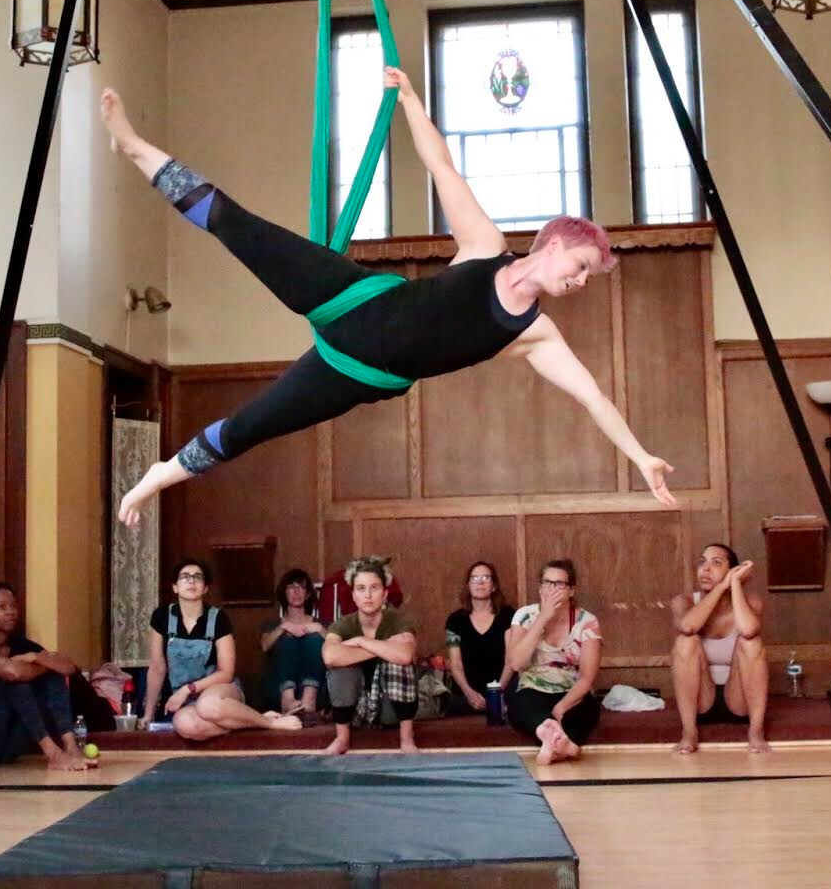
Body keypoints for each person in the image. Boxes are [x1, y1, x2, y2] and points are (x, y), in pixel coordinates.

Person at [98, 71, 676, 528]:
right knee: (235, 224)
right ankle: (135, 146)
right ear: (552, 245)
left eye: (587, 279)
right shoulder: (484, 246)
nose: (579, 283)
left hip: (355, 373)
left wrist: (640, 455)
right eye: (580, 268)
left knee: (251, 427)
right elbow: (440, 167)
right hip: (351, 298)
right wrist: (411, 104)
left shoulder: (534, 334)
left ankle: (158, 476)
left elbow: (594, 398)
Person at [142, 557, 301, 742]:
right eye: (185, 577)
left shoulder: (218, 618)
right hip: (187, 701)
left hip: (221, 691)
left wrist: (187, 689)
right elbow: (157, 667)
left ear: (205, 588)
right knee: (185, 725)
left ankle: (269, 723)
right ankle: (245, 722)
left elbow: (226, 673)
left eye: (197, 577)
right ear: (175, 587)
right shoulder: (161, 617)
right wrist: (148, 714)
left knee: (207, 705)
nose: (191, 581)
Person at [0, 582, 94, 770]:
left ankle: (71, 747)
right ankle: (53, 754)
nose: (11, 612)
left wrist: (36, 657)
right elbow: (12, 673)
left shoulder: (22, 645)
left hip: (7, 745)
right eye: (2, 607)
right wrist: (43, 665)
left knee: (53, 675)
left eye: (13, 606)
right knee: (14, 684)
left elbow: (69, 668)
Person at [669, 543, 769, 754]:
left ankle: (756, 732)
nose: (705, 569)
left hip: (740, 700)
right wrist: (721, 587)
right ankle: (689, 732)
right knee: (685, 641)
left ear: (732, 571)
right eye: (702, 562)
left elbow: (749, 630)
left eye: (716, 563)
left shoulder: (751, 601)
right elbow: (688, 627)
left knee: (751, 643)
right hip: (701, 700)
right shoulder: (683, 602)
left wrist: (734, 586)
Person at [505, 559, 602, 765]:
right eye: (547, 583)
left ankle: (556, 744)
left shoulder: (587, 621)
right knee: (522, 701)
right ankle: (562, 743)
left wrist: (560, 709)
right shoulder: (524, 616)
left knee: (585, 710)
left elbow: (586, 678)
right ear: (540, 587)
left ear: (571, 590)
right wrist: (543, 618)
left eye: (559, 584)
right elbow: (515, 663)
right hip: (533, 685)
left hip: (571, 690)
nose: (552, 589)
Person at [321, 557, 419, 755]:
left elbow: (406, 655)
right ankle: (342, 738)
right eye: (361, 588)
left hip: (390, 707)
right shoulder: (344, 624)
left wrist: (360, 642)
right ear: (354, 596)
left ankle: (407, 738)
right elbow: (330, 656)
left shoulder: (397, 621)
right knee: (340, 667)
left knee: (397, 663)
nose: (368, 595)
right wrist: (384, 647)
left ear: (384, 594)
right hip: (355, 708)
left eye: (374, 588)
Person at [444, 561, 515, 714]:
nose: (480, 582)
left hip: (503, 689)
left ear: (494, 586)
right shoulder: (454, 620)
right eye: (474, 578)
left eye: (486, 578)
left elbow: (511, 661)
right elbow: (455, 664)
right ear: (468, 585)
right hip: (466, 692)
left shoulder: (509, 616)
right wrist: (469, 694)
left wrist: (496, 693)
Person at [260, 568, 326, 717]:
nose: (296, 591)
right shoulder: (273, 624)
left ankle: (309, 699)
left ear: (308, 593)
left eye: (301, 587)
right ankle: (287, 700)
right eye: (291, 587)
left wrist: (320, 629)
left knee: (315, 638)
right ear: (284, 592)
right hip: (279, 688)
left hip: (315, 689)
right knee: (287, 639)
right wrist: (283, 627)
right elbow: (265, 646)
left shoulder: (321, 624)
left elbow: (337, 647)